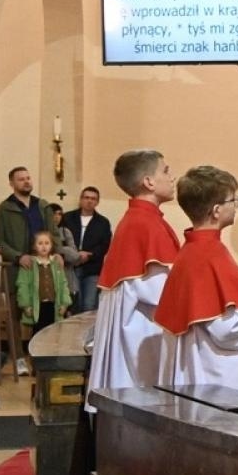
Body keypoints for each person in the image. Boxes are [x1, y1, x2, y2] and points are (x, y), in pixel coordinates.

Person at [157, 166, 238, 422]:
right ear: (216, 210)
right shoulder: (210, 254)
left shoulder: (192, 250)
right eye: (233, 200)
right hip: (219, 369)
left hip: (200, 359)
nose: (236, 206)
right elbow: (223, 330)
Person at [86, 150, 181, 414]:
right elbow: (160, 292)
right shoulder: (145, 224)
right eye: (165, 170)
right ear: (148, 182)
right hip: (141, 331)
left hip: (139, 323)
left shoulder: (141, 220)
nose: (172, 177)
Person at [14, 230, 71, 355]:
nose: (44, 246)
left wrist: (64, 303)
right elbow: (22, 285)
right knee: (38, 333)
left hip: (53, 305)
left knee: (52, 333)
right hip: (37, 306)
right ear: (34, 246)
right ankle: (37, 360)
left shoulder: (56, 264)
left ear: (51, 246)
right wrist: (25, 305)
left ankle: (49, 360)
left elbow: (63, 283)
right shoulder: (30, 264)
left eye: (47, 243)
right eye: (40, 243)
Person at [0, 167, 55, 270]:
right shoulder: (3, 209)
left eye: (28, 178)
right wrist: (18, 257)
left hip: (44, 265)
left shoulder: (43, 206)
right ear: (11, 184)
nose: (26, 182)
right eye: (21, 179)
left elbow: (54, 234)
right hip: (17, 266)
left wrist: (59, 254)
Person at [62, 186, 112, 313]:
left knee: (89, 305)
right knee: (74, 304)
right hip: (71, 268)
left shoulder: (103, 222)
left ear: (97, 202)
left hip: (92, 269)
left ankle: (88, 333)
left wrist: (89, 255)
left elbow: (105, 245)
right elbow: (61, 240)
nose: (89, 201)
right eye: (86, 197)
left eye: (93, 198)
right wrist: (74, 255)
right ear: (81, 199)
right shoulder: (67, 218)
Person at [46, 205, 81, 270]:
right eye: (54, 213)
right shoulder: (42, 232)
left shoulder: (65, 231)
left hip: (65, 270)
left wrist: (62, 251)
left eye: (59, 214)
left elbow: (75, 257)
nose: (57, 217)